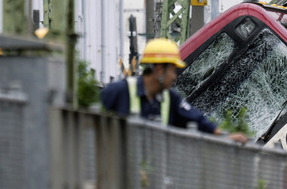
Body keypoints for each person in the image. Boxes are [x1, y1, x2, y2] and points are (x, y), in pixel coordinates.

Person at [99, 38, 248, 144]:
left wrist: (225, 136)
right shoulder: (118, 92)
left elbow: (197, 120)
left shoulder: (170, 100)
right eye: (171, 70)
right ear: (158, 69)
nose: (174, 77)